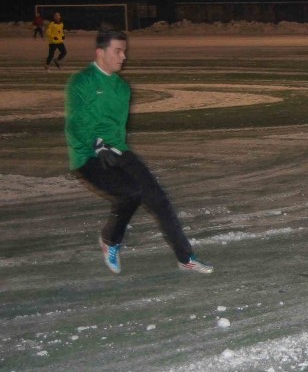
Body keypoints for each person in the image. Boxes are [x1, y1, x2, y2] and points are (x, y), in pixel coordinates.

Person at [64, 29, 213, 275]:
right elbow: (77, 122)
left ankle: (185, 258)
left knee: (159, 200)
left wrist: (114, 149)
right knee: (130, 193)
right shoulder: (82, 81)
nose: (123, 57)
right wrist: (96, 144)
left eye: (125, 51)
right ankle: (110, 240)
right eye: (118, 51)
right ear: (100, 53)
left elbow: (116, 130)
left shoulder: (123, 88)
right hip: (87, 155)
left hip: (117, 151)